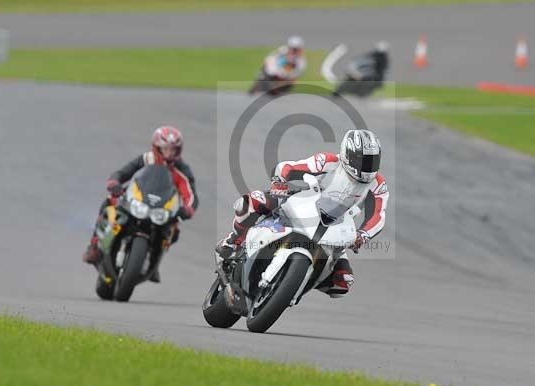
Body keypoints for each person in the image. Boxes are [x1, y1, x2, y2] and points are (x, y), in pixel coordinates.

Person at [215, 129, 388, 298]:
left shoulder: (377, 184)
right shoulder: (328, 161)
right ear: (348, 154)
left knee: (343, 282)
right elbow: (288, 168)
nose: (367, 166)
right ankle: (233, 242)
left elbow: (377, 216)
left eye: (372, 160)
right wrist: (279, 182)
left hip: (335, 227)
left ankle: (298, 282)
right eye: (362, 160)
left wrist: (363, 235)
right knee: (253, 201)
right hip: (303, 202)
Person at [82, 126, 198, 283]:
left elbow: (190, 193)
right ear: (157, 147)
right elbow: (124, 172)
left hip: (162, 207)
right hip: (139, 199)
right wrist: (114, 182)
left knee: (173, 229)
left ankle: (154, 261)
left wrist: (188, 208)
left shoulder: (182, 169)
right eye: (166, 149)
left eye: (174, 149)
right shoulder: (146, 159)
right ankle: (94, 246)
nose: (170, 153)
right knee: (109, 203)